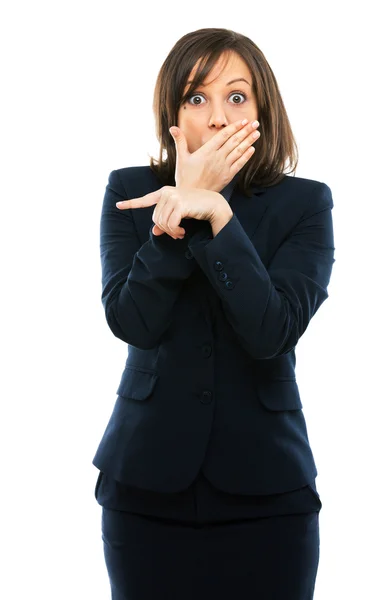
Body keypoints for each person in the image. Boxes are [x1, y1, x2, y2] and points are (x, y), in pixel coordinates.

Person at [92, 27, 335, 600]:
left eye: (237, 96)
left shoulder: (305, 204)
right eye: (196, 98)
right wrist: (178, 221)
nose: (218, 118)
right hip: (146, 491)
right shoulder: (130, 193)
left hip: (268, 494)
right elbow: (132, 321)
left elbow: (271, 331)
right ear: (172, 114)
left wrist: (219, 216)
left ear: (263, 110)